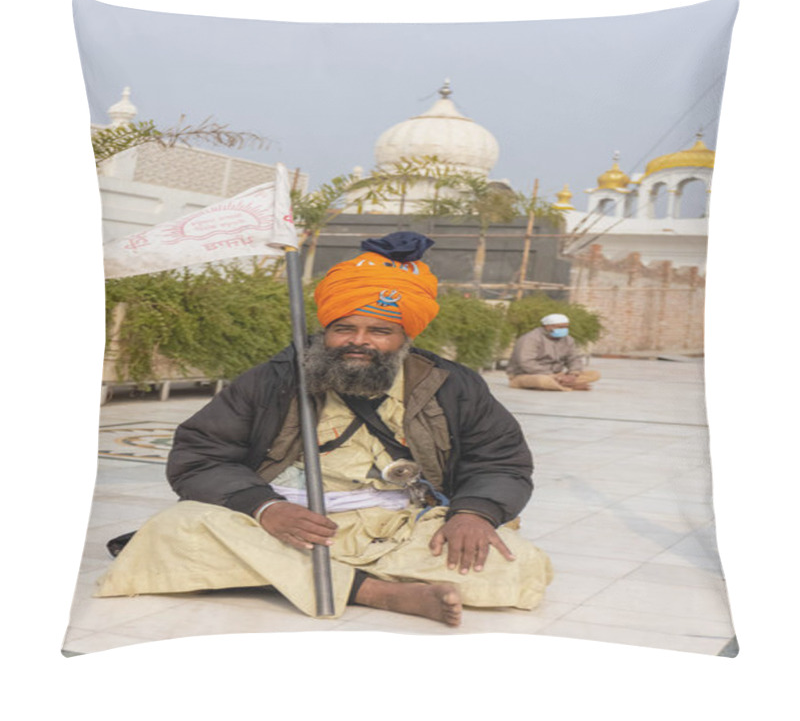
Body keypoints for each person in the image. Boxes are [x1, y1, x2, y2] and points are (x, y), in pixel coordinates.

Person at [95, 232, 552, 628]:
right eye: (344, 328)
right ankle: (380, 592)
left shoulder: (450, 384)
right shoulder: (276, 378)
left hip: (397, 526)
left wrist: (474, 513)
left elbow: (501, 461)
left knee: (516, 566)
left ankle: (299, 577)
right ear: (325, 329)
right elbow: (199, 454)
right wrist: (263, 507)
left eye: (379, 330)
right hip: (285, 525)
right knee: (177, 529)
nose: (359, 341)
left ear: (404, 337)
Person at [507, 313, 601, 392]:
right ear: (548, 326)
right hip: (528, 374)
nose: (564, 329)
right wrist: (553, 376)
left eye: (566, 327)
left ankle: (562, 384)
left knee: (595, 374)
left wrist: (573, 374)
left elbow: (574, 358)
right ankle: (569, 387)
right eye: (560, 327)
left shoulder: (568, 339)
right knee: (542, 381)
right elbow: (526, 363)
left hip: (558, 375)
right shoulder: (530, 338)